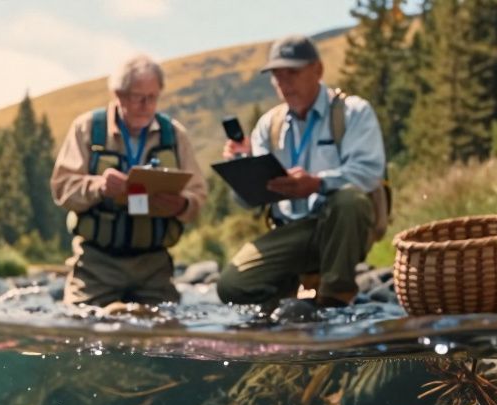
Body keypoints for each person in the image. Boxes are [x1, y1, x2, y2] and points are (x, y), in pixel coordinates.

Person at [217, 35, 388, 309]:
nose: (284, 84)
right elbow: (248, 202)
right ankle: (287, 307)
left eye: (292, 73)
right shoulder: (268, 126)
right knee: (230, 286)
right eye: (277, 76)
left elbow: (368, 172)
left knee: (349, 200)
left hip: (339, 226)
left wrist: (317, 184)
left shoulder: (353, 112)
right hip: (291, 231)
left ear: (318, 70)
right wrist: (241, 167)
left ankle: (335, 300)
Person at [50, 55, 208, 308]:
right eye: (138, 97)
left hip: (154, 266)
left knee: (165, 327)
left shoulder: (175, 135)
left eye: (152, 97)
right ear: (118, 95)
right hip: (97, 264)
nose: (146, 105)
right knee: (83, 322)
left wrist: (182, 205)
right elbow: (62, 189)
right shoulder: (87, 129)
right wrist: (99, 187)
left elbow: (198, 194)